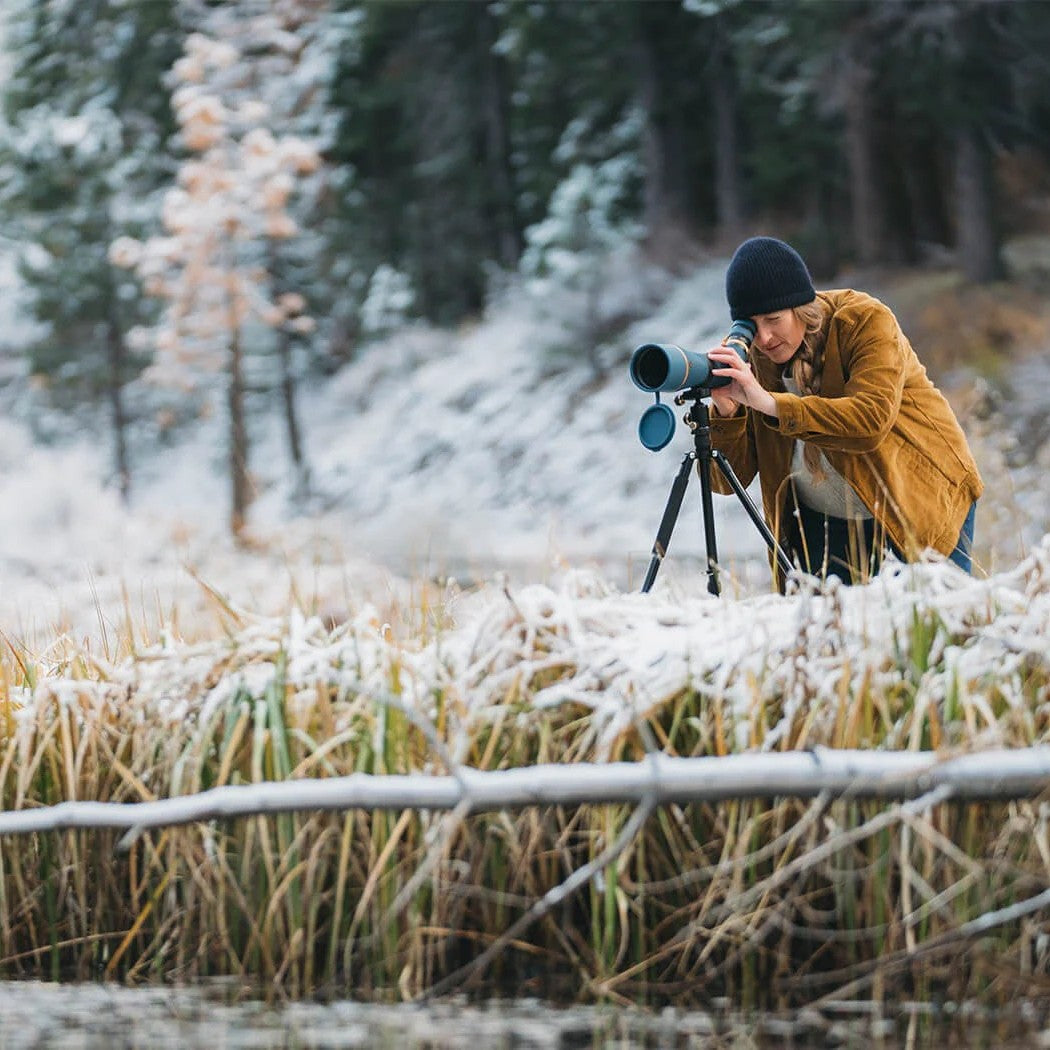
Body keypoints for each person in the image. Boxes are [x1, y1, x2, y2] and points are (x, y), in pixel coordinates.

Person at [704, 235, 983, 587]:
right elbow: (726, 481)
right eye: (751, 326)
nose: (764, 338)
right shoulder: (754, 355)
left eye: (773, 319)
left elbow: (869, 421)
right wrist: (725, 413)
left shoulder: (864, 321)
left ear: (800, 306)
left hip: (913, 504)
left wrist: (769, 403)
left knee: (932, 634)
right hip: (823, 524)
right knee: (834, 639)